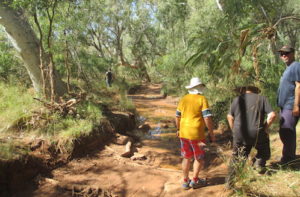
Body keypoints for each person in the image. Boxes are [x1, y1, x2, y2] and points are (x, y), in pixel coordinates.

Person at [226, 86, 276, 188]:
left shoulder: (237, 99)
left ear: (244, 91)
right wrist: (265, 128)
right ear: (256, 91)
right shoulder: (261, 98)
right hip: (257, 133)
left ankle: (230, 182)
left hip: (240, 133)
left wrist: (234, 131)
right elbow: (272, 115)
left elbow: (229, 116)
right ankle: (259, 164)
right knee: (264, 149)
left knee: (237, 157)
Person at [175, 77, 215, 190]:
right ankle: (195, 180)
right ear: (200, 88)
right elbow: (207, 117)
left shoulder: (183, 99)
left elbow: (177, 116)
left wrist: (178, 129)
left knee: (186, 157)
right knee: (199, 158)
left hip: (184, 133)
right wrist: (211, 133)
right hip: (197, 134)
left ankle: (185, 181)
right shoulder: (202, 99)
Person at [277, 45, 300, 164]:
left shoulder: (296, 66)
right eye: (281, 54)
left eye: (286, 53)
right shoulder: (288, 68)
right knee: (285, 131)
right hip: (285, 106)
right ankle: (289, 156)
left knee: (287, 131)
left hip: (290, 105)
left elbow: (299, 86)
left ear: (292, 53)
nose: (283, 55)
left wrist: (296, 106)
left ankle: (288, 159)